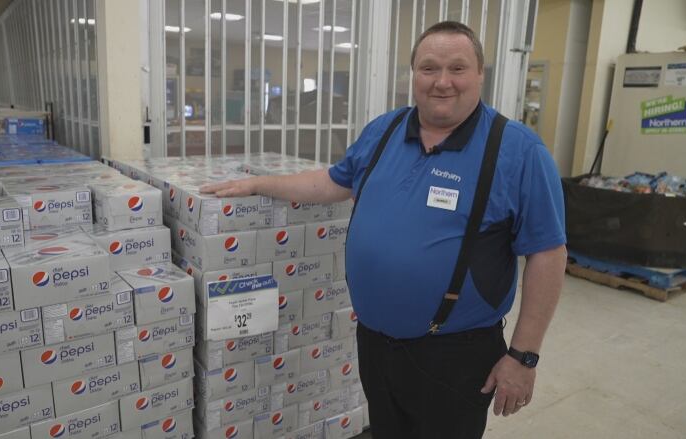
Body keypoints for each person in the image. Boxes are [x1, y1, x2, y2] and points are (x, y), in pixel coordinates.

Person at [202, 21, 567, 439]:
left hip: (455, 354)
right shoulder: (385, 130)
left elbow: (548, 254)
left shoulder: (518, 151)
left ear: (480, 74)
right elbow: (334, 181)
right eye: (428, 68)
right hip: (375, 342)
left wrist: (524, 356)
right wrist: (258, 184)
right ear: (413, 75)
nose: (442, 82)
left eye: (458, 68)